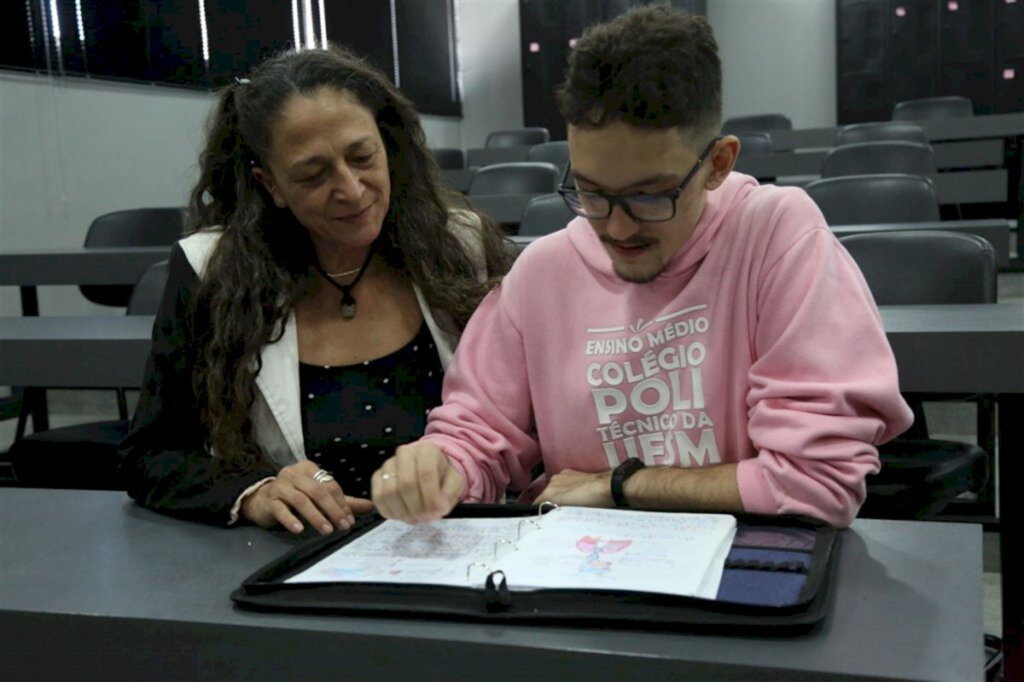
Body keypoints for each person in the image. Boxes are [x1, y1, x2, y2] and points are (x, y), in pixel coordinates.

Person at [371, 6, 913, 528]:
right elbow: (476, 436)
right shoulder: (542, 273)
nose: (618, 228)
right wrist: (439, 468)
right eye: (591, 192)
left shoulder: (777, 236)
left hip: (751, 563)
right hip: (585, 572)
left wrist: (621, 485)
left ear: (717, 164)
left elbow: (817, 484)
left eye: (651, 196)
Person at [117, 46, 515, 533]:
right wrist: (257, 492)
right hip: (296, 559)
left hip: (462, 545)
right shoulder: (212, 273)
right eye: (313, 175)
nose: (350, 189)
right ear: (271, 186)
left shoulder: (462, 247)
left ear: (388, 147)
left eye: (362, 156)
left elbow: (531, 419)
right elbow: (151, 454)